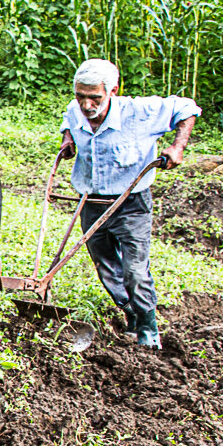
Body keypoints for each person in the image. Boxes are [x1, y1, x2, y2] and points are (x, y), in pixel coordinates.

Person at [59, 59, 200, 349]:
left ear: (113, 90)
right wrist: (68, 139)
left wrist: (178, 147)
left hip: (131, 203)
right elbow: (69, 119)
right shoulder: (76, 110)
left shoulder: (141, 112)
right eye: (80, 96)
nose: (86, 105)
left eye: (94, 98)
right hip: (92, 202)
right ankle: (131, 314)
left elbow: (187, 108)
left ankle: (148, 331)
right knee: (106, 267)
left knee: (135, 271)